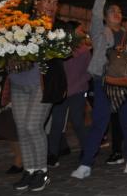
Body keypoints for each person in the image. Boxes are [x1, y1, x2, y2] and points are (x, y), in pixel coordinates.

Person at [71, 0, 127, 179]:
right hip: (103, 82)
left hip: (125, 83)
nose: (117, 14)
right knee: (99, 123)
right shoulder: (100, 33)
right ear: (106, 15)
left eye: (119, 11)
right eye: (112, 11)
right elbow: (94, 14)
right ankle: (85, 164)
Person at [10, 0, 68, 191]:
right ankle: (29, 170)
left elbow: (64, 51)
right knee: (21, 128)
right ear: (37, 3)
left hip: (42, 85)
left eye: (55, 2)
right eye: (47, 1)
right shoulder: (20, 22)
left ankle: (42, 172)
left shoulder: (59, 28)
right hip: (17, 82)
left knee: (33, 126)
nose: (51, 6)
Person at [47, 21, 91, 167]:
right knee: (57, 123)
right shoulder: (61, 49)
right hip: (62, 91)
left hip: (78, 91)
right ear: (70, 31)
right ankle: (52, 154)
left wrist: (78, 85)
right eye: (79, 30)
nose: (83, 33)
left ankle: (86, 149)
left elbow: (89, 72)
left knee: (77, 121)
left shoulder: (85, 50)